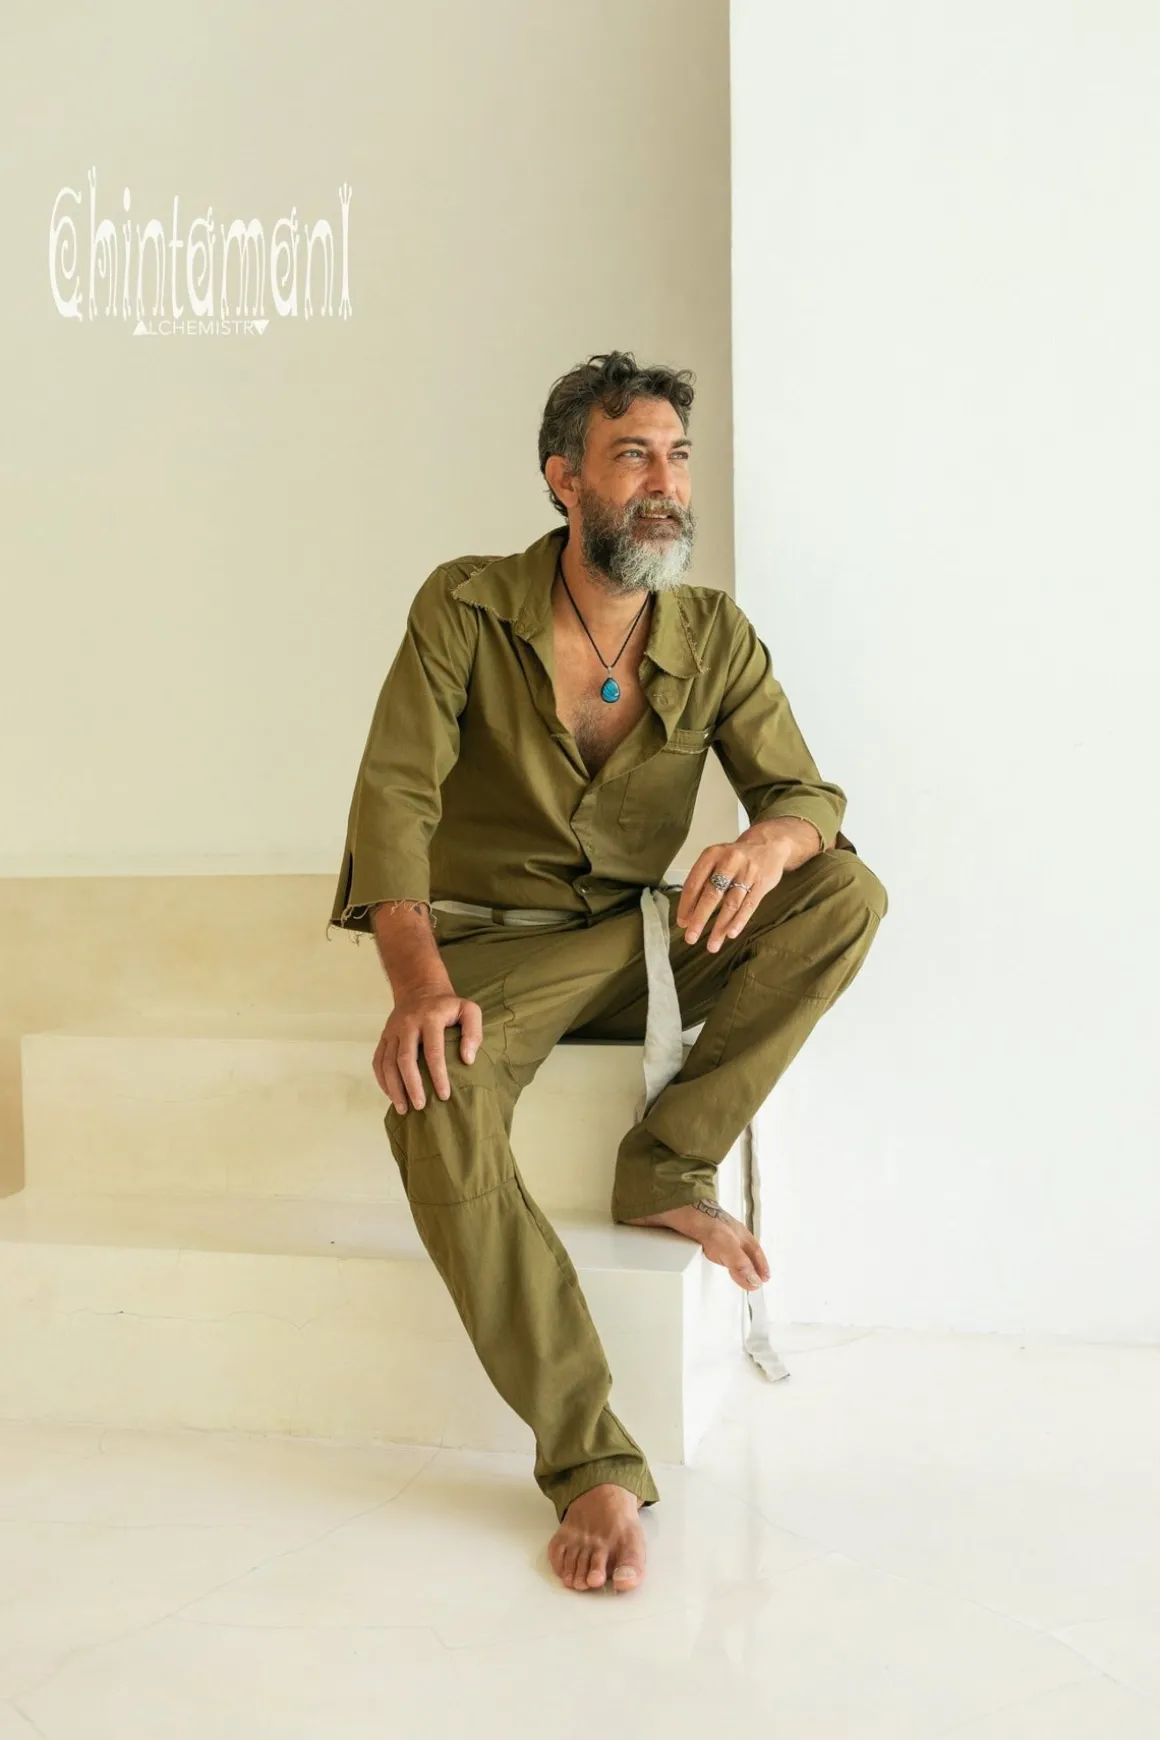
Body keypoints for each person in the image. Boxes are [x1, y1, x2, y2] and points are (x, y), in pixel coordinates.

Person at [327, 350, 888, 1596]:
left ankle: (666, 1162)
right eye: (631, 455)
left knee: (844, 890)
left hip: (638, 939)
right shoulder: (464, 606)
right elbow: (393, 804)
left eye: (676, 458)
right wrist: (418, 985)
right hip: (492, 949)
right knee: (435, 1099)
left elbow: (805, 794)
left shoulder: (713, 632)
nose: (664, 484)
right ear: (562, 478)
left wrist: (771, 839)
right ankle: (587, 1456)